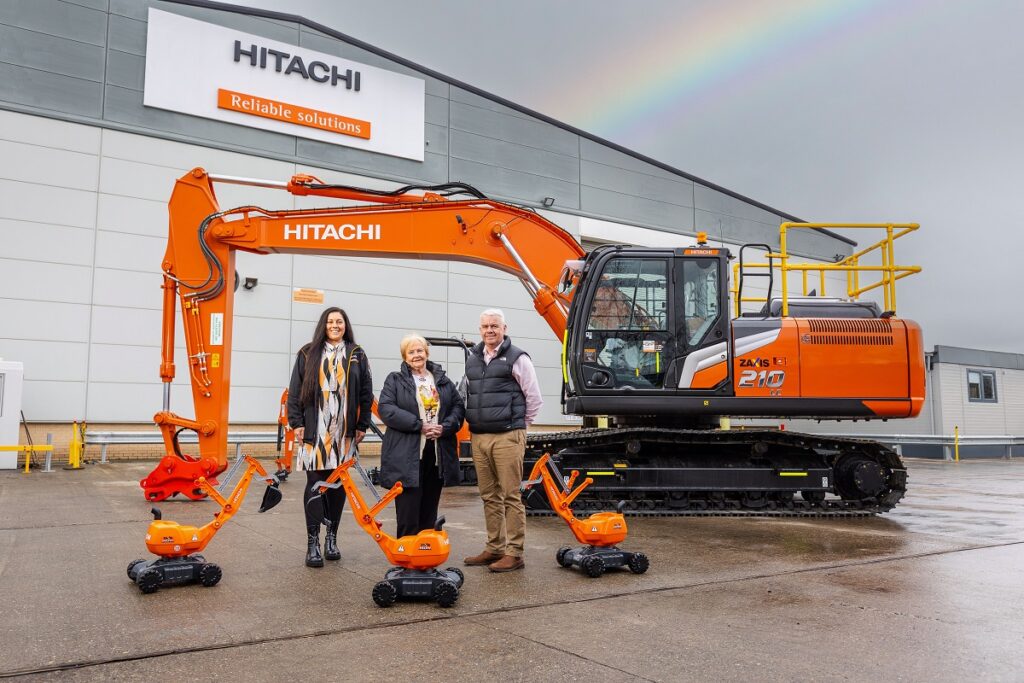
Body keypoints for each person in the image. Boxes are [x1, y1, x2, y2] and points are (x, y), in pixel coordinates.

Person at [287, 307, 373, 568]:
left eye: (340, 321)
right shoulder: (307, 352)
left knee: (338, 486)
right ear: (323, 325)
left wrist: (362, 424)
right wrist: (296, 423)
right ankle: (312, 542)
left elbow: (366, 393)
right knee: (315, 484)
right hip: (316, 430)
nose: (335, 325)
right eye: (330, 321)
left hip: (344, 432)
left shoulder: (356, 353)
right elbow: (295, 390)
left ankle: (331, 538)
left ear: (345, 325)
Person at [462, 309, 543, 573]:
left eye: (494, 326)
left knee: (510, 495)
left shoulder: (517, 358)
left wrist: (518, 427)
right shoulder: (473, 358)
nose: (489, 330)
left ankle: (514, 552)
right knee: (488, 495)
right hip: (480, 436)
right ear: (479, 329)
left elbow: (534, 398)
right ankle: (494, 546)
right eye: (485, 326)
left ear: (504, 328)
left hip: (508, 436)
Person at [377, 335, 465, 537]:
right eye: (411, 351)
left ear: (426, 353)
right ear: (404, 356)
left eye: (420, 350)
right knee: (408, 509)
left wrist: (444, 427)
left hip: (436, 453)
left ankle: (425, 556)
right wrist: (420, 426)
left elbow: (458, 407)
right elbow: (387, 409)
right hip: (407, 454)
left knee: (429, 508)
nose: (416, 355)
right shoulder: (395, 380)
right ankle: (406, 557)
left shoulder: (442, 381)